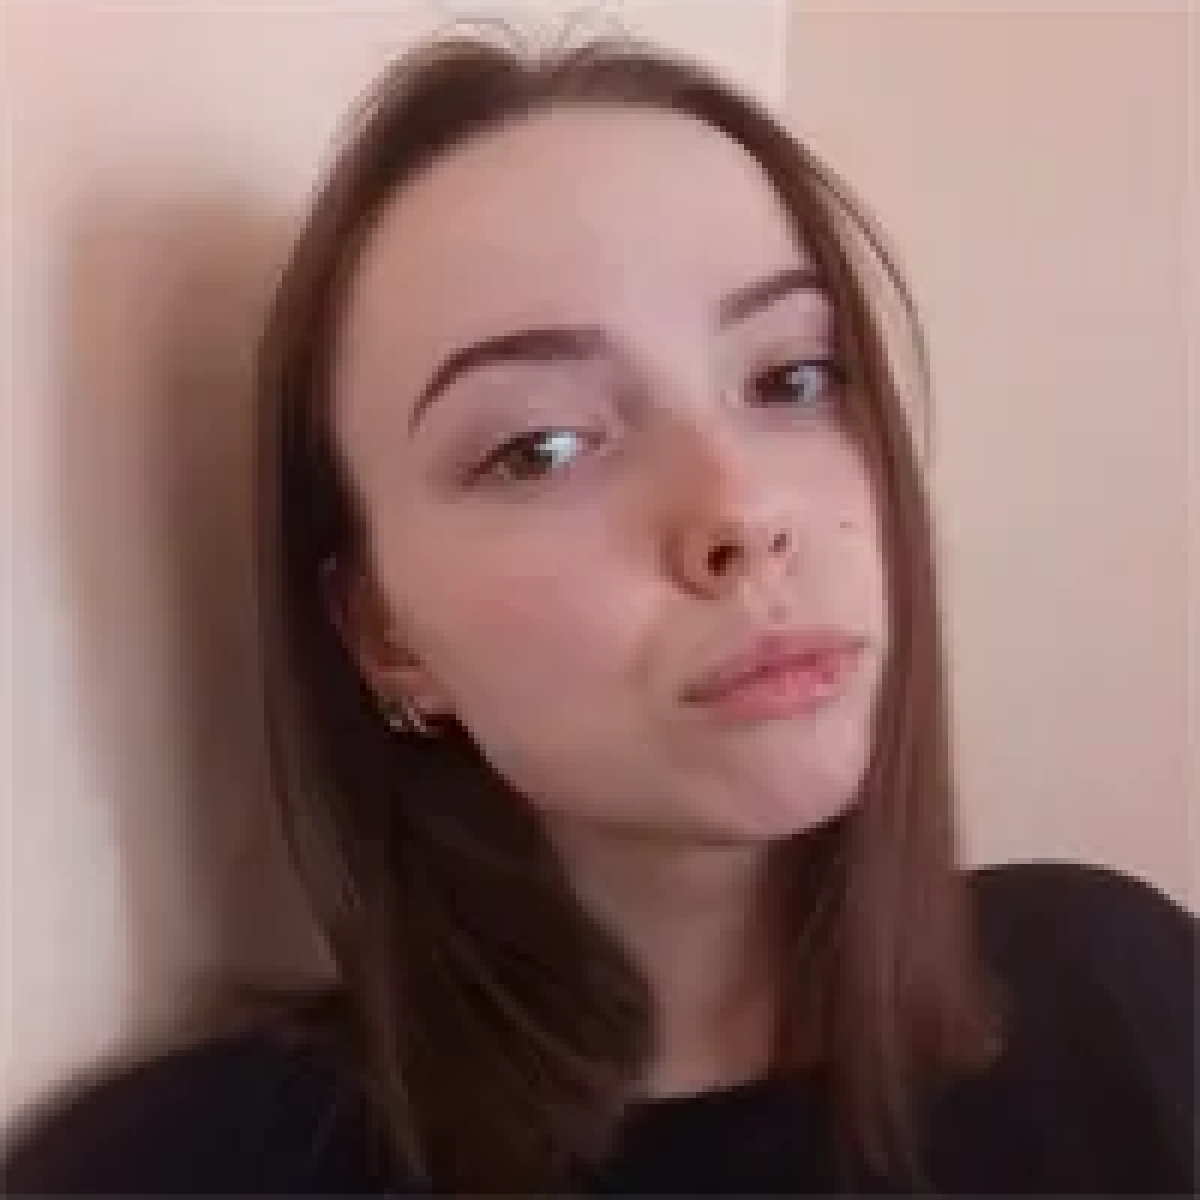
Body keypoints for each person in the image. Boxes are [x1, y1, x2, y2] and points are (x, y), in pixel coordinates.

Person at [4, 31, 1194, 1196]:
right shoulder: (178, 1171)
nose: (741, 511)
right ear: (386, 634)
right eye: (544, 446)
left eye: (791, 378)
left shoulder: (1129, 999)